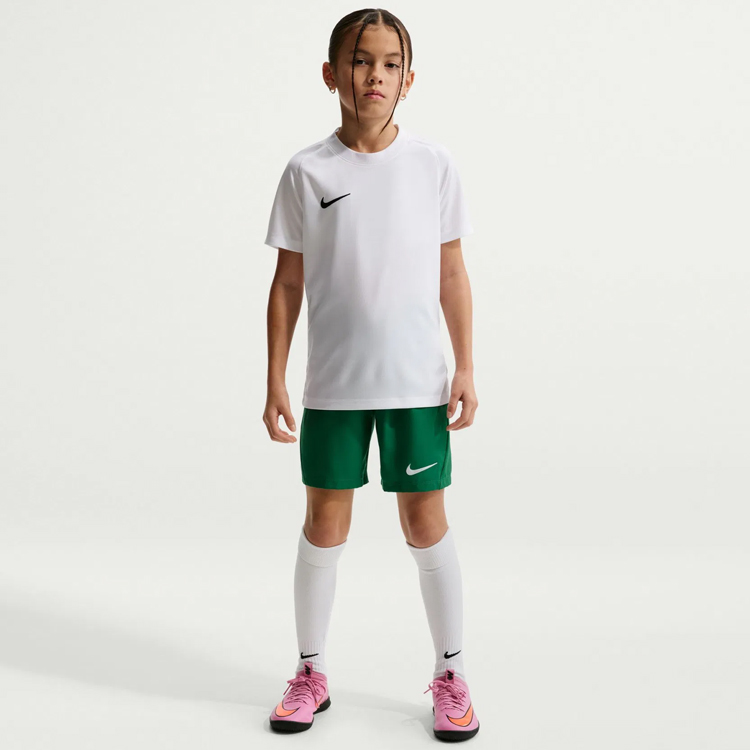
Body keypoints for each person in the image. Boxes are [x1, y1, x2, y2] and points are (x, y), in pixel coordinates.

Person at [262, 8, 480, 742]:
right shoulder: (307, 171)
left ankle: (452, 674)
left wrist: (466, 365)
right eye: (360, 61)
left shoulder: (433, 165)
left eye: (390, 64)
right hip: (334, 386)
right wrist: (275, 378)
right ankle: (309, 671)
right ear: (331, 74)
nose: (375, 76)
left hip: (417, 384)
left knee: (426, 523)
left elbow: (452, 272)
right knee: (324, 523)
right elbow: (287, 284)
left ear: (409, 79)